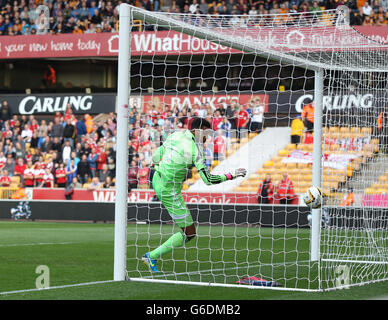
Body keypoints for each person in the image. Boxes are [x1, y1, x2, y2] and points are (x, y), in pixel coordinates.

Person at [142, 117, 246, 273]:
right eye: (206, 132)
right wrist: (232, 175)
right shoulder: (195, 150)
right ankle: (151, 256)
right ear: (199, 130)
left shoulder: (176, 134)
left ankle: (152, 256)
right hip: (169, 190)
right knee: (190, 232)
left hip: (157, 178)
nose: (207, 137)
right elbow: (209, 180)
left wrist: (158, 166)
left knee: (187, 229)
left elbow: (157, 154)